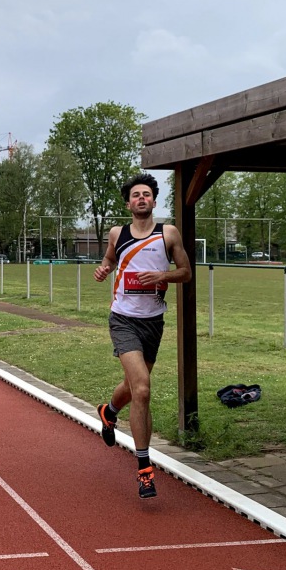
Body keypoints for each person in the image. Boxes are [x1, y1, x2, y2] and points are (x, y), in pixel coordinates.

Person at [93, 173, 191, 499]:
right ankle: (144, 469)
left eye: (146, 194)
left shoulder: (168, 234)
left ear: (154, 201)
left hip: (153, 322)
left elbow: (186, 272)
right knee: (143, 389)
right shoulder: (117, 233)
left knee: (134, 386)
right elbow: (110, 258)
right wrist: (104, 268)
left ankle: (109, 412)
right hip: (123, 319)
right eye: (135, 195)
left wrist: (162, 275)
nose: (141, 199)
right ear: (128, 203)